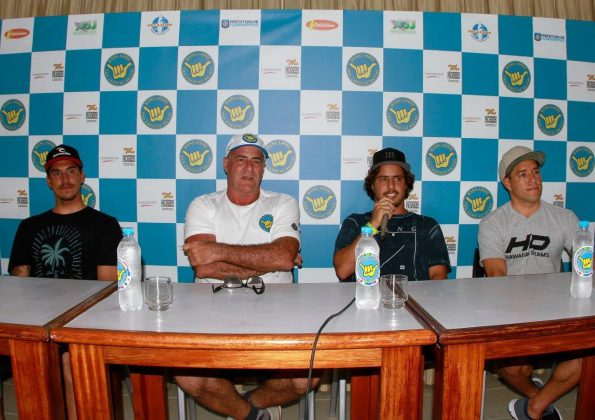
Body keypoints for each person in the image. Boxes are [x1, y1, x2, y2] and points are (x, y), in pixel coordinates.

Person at [176, 133, 314, 420]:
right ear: (226, 164)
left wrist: (217, 251)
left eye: (256, 161)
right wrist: (272, 260)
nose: (249, 168)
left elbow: (283, 257)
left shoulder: (282, 203)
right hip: (212, 309)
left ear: (264, 168)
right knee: (187, 377)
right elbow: (203, 268)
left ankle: (241, 406)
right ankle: (253, 415)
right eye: (241, 160)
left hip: (276, 308)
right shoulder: (203, 204)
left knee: (306, 378)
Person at [8, 144, 122, 420]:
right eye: (57, 173)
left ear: (82, 176)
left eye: (71, 171)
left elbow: (107, 289)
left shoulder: (105, 225)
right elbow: (18, 286)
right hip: (36, 324)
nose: (65, 179)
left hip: (84, 324)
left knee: (72, 364)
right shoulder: (29, 226)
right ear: (48, 181)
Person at [478, 145, 581, 420]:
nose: (533, 179)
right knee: (512, 369)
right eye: (522, 174)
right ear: (507, 183)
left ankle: (533, 407)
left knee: (587, 359)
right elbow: (497, 276)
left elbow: (586, 262)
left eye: (535, 172)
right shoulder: (493, 222)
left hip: (557, 309)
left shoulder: (565, 218)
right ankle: (540, 396)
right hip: (512, 311)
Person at [334, 147, 450, 282]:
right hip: (368, 300)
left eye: (397, 179)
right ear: (372, 185)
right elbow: (342, 271)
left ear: (406, 184)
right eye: (383, 179)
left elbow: (439, 278)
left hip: (414, 301)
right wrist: (373, 224)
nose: (391, 186)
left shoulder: (428, 226)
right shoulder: (355, 222)